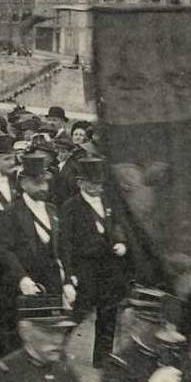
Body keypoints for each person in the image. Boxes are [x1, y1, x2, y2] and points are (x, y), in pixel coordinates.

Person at [0, 153, 77, 358]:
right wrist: (22, 278)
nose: (44, 188)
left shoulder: (52, 210)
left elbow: (64, 248)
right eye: (37, 183)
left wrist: (67, 280)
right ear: (23, 183)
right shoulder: (11, 213)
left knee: (48, 339)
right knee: (15, 344)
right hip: (20, 287)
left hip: (50, 286)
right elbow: (5, 250)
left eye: (45, 183)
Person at [59, 157, 131, 367]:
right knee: (78, 312)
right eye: (92, 183)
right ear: (80, 182)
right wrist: (69, 273)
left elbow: (119, 227)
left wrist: (120, 242)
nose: (97, 187)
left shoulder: (109, 202)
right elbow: (65, 242)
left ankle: (102, 358)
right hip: (85, 267)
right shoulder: (70, 206)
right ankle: (57, 351)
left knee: (108, 314)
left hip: (110, 267)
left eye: (100, 183)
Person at [101, 286, 188, 382]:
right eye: (157, 325)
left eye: (169, 327)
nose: (166, 334)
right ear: (139, 323)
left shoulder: (177, 356)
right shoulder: (118, 363)